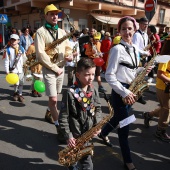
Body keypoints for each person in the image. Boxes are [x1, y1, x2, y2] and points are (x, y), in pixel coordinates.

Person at [98, 16, 152, 170]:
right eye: (124, 29)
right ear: (119, 31)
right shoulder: (116, 49)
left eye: (130, 28)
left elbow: (132, 70)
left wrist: (143, 70)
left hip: (131, 89)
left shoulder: (135, 48)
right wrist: (124, 92)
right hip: (121, 92)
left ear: (134, 30)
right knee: (124, 127)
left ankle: (103, 133)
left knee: (117, 118)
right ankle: (128, 161)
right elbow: (109, 75)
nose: (127, 31)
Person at [58, 57, 102, 170]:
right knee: (73, 160)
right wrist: (68, 136)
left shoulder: (94, 89)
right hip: (75, 135)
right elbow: (63, 116)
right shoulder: (70, 93)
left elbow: (98, 109)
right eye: (87, 74)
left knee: (88, 164)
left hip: (87, 134)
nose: (91, 78)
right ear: (77, 75)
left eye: (93, 74)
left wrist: (98, 125)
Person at [34, 4, 73, 127]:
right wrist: (55, 68)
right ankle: (58, 125)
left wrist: (69, 55)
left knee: (54, 96)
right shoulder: (40, 32)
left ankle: (48, 112)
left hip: (61, 68)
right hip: (51, 69)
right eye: (51, 14)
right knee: (54, 99)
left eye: (56, 14)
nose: (55, 16)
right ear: (46, 16)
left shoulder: (62, 31)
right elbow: (40, 54)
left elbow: (67, 47)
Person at [143, 61, 170, 142]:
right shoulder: (166, 58)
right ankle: (160, 131)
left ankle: (149, 115)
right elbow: (159, 74)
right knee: (166, 109)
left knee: (165, 108)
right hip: (164, 87)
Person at [4, 34, 27, 103]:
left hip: (21, 69)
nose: (13, 41)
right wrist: (7, 71)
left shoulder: (21, 48)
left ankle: (20, 94)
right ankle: (15, 93)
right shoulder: (8, 50)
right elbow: (6, 61)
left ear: (18, 41)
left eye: (15, 40)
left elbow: (24, 58)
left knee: (21, 82)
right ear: (10, 40)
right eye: (12, 39)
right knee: (15, 83)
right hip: (13, 69)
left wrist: (26, 65)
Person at [132, 17, 150, 105]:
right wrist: (144, 52)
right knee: (136, 79)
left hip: (143, 59)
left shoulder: (146, 35)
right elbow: (135, 48)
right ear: (140, 24)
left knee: (141, 79)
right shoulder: (136, 35)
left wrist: (146, 57)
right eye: (144, 24)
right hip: (138, 59)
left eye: (147, 25)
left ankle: (138, 95)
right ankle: (136, 95)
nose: (145, 26)